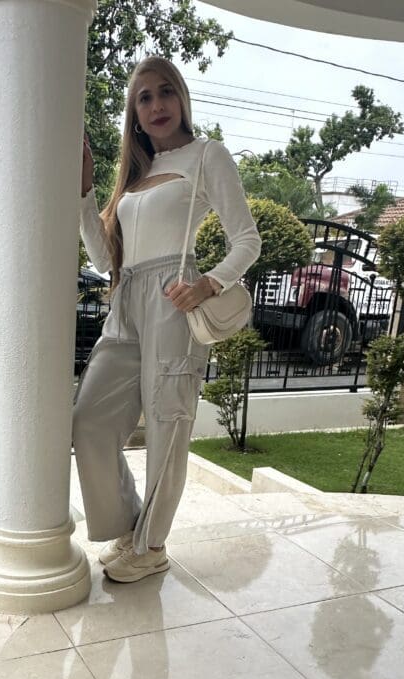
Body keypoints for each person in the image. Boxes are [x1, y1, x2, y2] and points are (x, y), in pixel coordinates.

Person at [75, 56, 261, 583]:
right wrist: (86, 191)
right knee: (89, 419)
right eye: (144, 98)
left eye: (165, 92)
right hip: (127, 300)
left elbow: (247, 239)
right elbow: (102, 259)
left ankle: (152, 544)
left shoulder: (208, 156)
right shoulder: (133, 175)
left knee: (166, 424)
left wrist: (207, 284)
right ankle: (126, 524)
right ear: (134, 113)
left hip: (174, 302)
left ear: (181, 98)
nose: (156, 105)